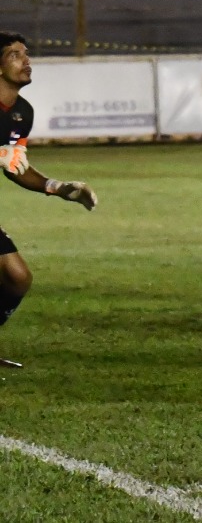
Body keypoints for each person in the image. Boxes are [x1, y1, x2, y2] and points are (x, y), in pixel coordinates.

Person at [1, 32, 98, 365]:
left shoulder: (20, 112)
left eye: (26, 54)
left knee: (17, 277)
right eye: (15, 55)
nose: (26, 61)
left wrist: (59, 187)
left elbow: (14, 167)